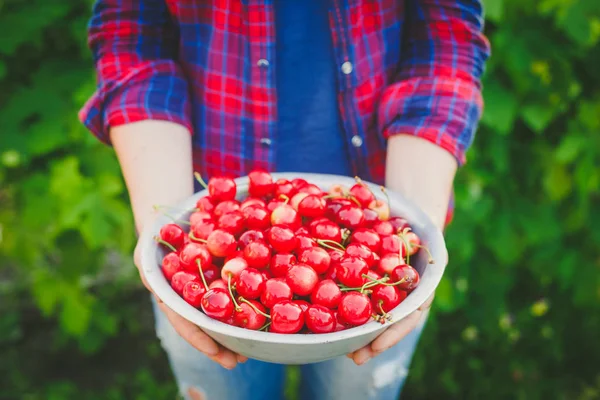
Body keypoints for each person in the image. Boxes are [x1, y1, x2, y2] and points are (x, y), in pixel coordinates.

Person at [79, 0, 490, 399]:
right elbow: (131, 34)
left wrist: (416, 224)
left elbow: (445, 36)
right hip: (198, 215)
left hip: (386, 200)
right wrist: (161, 228)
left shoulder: (381, 264)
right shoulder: (202, 266)